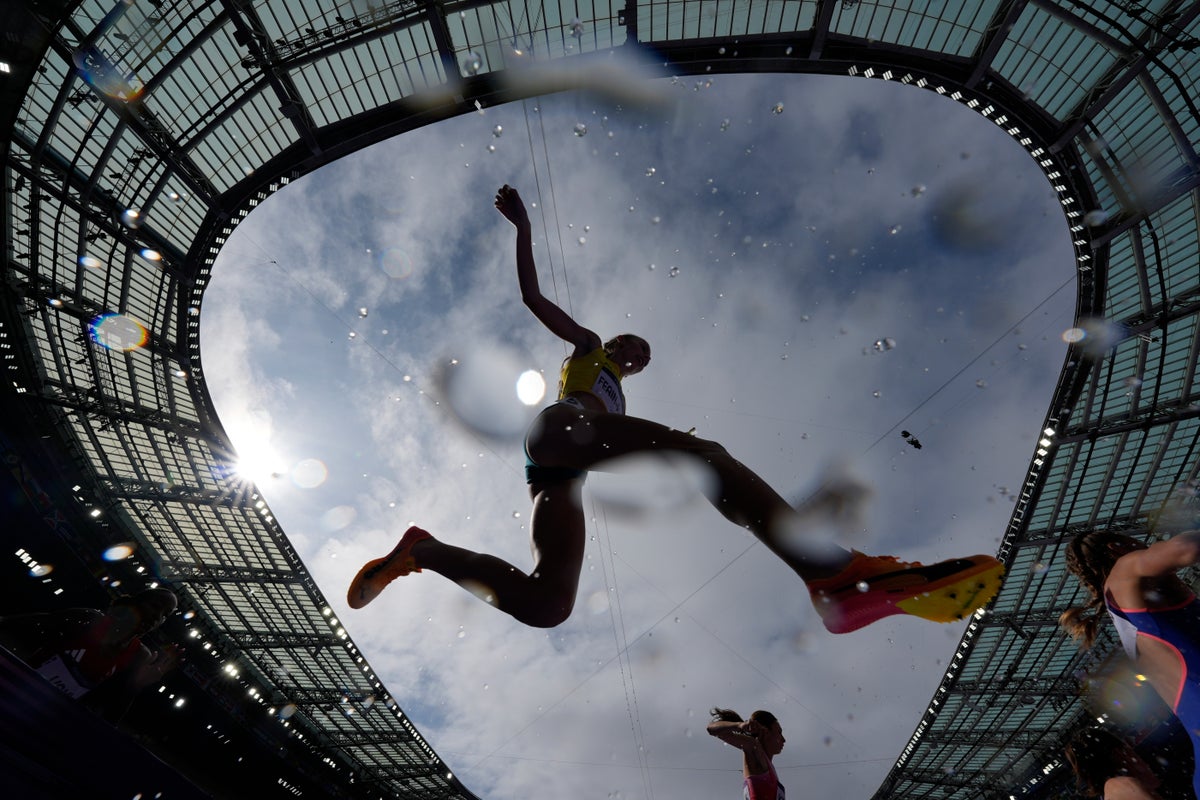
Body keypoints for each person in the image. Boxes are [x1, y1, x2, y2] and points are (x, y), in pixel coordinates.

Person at [347, 184, 1004, 632]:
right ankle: (834, 573)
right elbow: (531, 298)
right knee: (705, 458)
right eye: (632, 344)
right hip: (561, 427)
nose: (633, 353)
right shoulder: (588, 346)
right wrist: (524, 227)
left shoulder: (618, 392)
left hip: (558, 471)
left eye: (640, 356)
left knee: (550, 604)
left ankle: (422, 552)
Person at [1062, 529, 1200, 799]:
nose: (1147, 546)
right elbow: (1187, 548)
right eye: (1137, 543)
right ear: (1116, 547)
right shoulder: (1125, 569)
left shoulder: (1127, 615)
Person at [0, 587, 180, 723]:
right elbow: (14, 625)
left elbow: (108, 719)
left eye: (165, 615)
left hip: (46, 718)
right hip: (11, 689)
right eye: (155, 606)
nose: (157, 616)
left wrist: (135, 686)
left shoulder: (139, 656)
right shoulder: (89, 619)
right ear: (136, 603)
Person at [707, 707, 786, 800]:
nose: (783, 739)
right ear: (766, 732)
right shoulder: (754, 748)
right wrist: (740, 725)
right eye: (779, 732)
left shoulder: (767, 765)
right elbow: (711, 729)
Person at [1064, 726, 1163, 799]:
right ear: (1117, 753)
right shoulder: (1122, 786)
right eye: (1126, 747)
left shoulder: (1113, 790)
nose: (1136, 755)